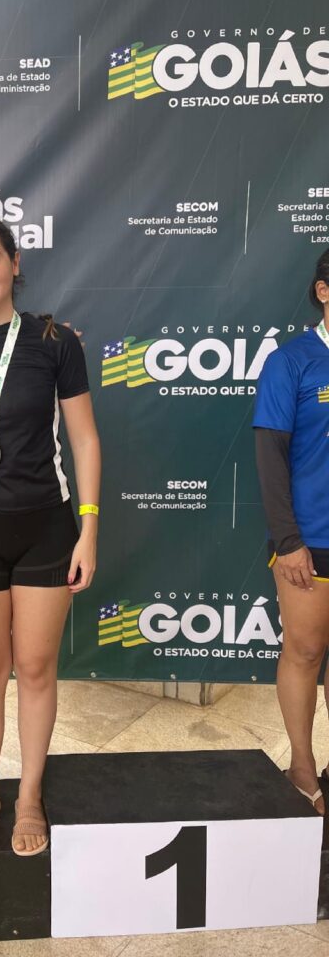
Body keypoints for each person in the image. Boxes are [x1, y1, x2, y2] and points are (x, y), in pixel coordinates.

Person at [0, 214, 101, 856]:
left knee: (34, 668)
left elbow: (83, 438)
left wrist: (89, 528)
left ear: (14, 263)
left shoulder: (55, 341)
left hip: (46, 528)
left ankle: (28, 794)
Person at [253, 248, 329, 814]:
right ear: (323, 292)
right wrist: (289, 541)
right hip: (311, 539)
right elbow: (270, 457)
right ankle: (302, 769)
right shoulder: (291, 361)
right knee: (304, 651)